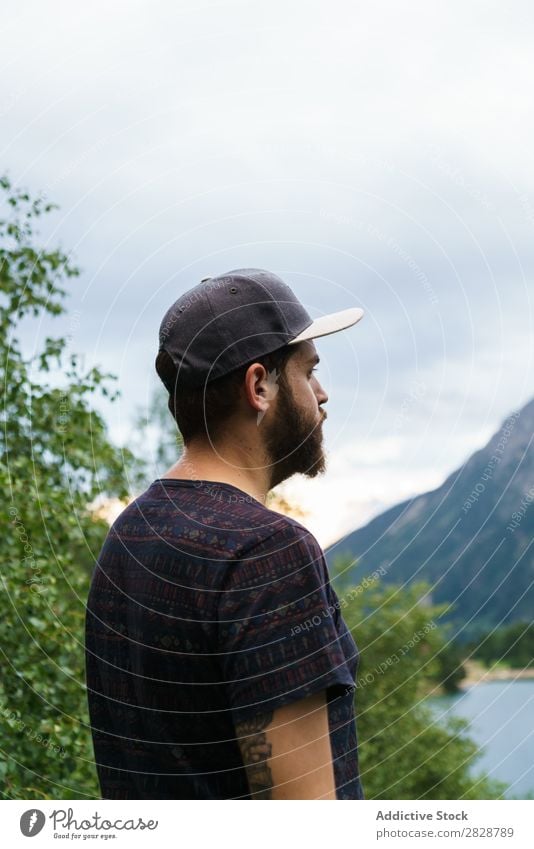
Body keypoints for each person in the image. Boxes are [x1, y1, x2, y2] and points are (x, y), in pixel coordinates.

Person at [84, 268, 365, 799]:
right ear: (259, 386)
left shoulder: (129, 535)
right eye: (309, 373)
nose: (322, 395)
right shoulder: (269, 552)